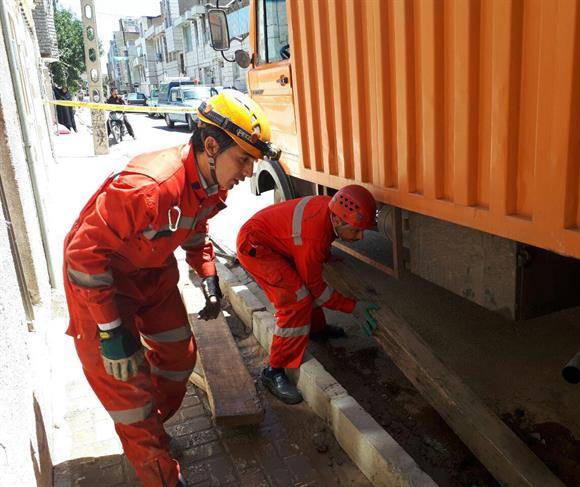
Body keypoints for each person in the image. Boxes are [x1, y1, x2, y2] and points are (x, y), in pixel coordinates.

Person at [63, 90, 277, 487]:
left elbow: (196, 230)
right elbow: (82, 255)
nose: (248, 172)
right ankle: (158, 468)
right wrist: (110, 332)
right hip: (103, 286)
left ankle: (152, 437)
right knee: (130, 392)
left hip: (152, 270)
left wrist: (208, 277)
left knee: (180, 357)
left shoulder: (212, 183)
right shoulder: (149, 187)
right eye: (243, 159)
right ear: (211, 146)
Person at [236, 185, 381, 404]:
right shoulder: (313, 238)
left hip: (271, 241)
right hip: (256, 248)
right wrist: (353, 307)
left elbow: (315, 244)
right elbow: (318, 291)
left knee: (303, 287)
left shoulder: (329, 211)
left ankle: (317, 330)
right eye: (356, 230)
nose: (360, 237)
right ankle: (274, 371)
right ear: (338, 221)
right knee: (296, 300)